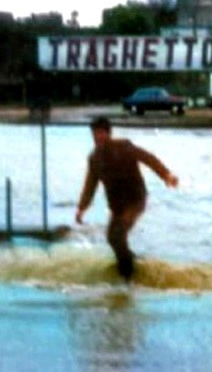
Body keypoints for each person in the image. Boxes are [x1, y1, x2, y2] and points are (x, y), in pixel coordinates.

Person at [75, 116, 178, 279]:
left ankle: (128, 274)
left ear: (109, 133)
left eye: (101, 133)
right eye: (95, 134)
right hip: (117, 205)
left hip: (135, 200)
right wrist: (81, 208)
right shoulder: (94, 158)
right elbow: (90, 185)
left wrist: (166, 175)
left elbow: (148, 158)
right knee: (111, 237)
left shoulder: (124, 147)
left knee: (117, 234)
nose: (98, 138)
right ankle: (130, 263)